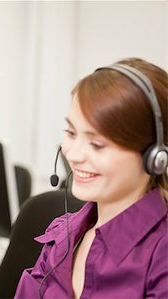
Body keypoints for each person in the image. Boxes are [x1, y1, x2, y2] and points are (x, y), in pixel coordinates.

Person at [15, 58, 168, 298]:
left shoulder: (161, 256)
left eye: (97, 144)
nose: (73, 155)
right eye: (71, 133)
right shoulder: (63, 234)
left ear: (153, 156)